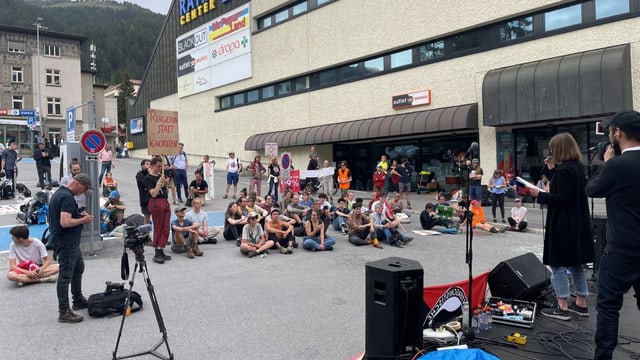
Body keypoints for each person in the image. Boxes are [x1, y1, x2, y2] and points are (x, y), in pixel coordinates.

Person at [585, 110, 640, 359]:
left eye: (610, 131)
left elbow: (592, 189)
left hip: (621, 249)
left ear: (618, 132)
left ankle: (604, 356)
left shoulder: (617, 165)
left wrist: (607, 164)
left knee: (608, 307)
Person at [529, 132, 594, 322]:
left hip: (563, 223)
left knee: (557, 263)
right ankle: (581, 303)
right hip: (578, 221)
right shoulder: (577, 167)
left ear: (559, 149)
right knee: (576, 263)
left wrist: (539, 195)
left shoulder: (565, 170)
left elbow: (562, 198)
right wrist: (551, 171)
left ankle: (562, 306)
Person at [48, 173, 94, 323]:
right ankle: (64, 311)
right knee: (65, 275)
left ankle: (78, 298)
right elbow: (65, 222)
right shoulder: (67, 197)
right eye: (85, 189)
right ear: (79, 184)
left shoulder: (60, 193)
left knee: (78, 267)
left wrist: (78, 214)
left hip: (67, 241)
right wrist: (83, 220)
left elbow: (65, 216)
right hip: (66, 242)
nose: (84, 192)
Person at [145, 156, 172, 264]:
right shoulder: (148, 178)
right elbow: (153, 193)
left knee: (166, 227)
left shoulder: (161, 176)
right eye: (158, 166)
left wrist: (165, 184)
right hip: (156, 203)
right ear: (151, 166)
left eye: (161, 166)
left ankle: (161, 247)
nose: (160, 169)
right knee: (158, 227)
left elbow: (166, 193)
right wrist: (159, 183)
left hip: (164, 201)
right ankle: (157, 250)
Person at [136, 159, 151, 224]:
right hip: (145, 199)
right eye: (147, 164)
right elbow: (145, 183)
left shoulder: (152, 173)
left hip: (153, 198)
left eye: (150, 164)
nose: (149, 165)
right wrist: (150, 174)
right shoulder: (139, 174)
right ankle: (146, 232)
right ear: (142, 165)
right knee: (147, 217)